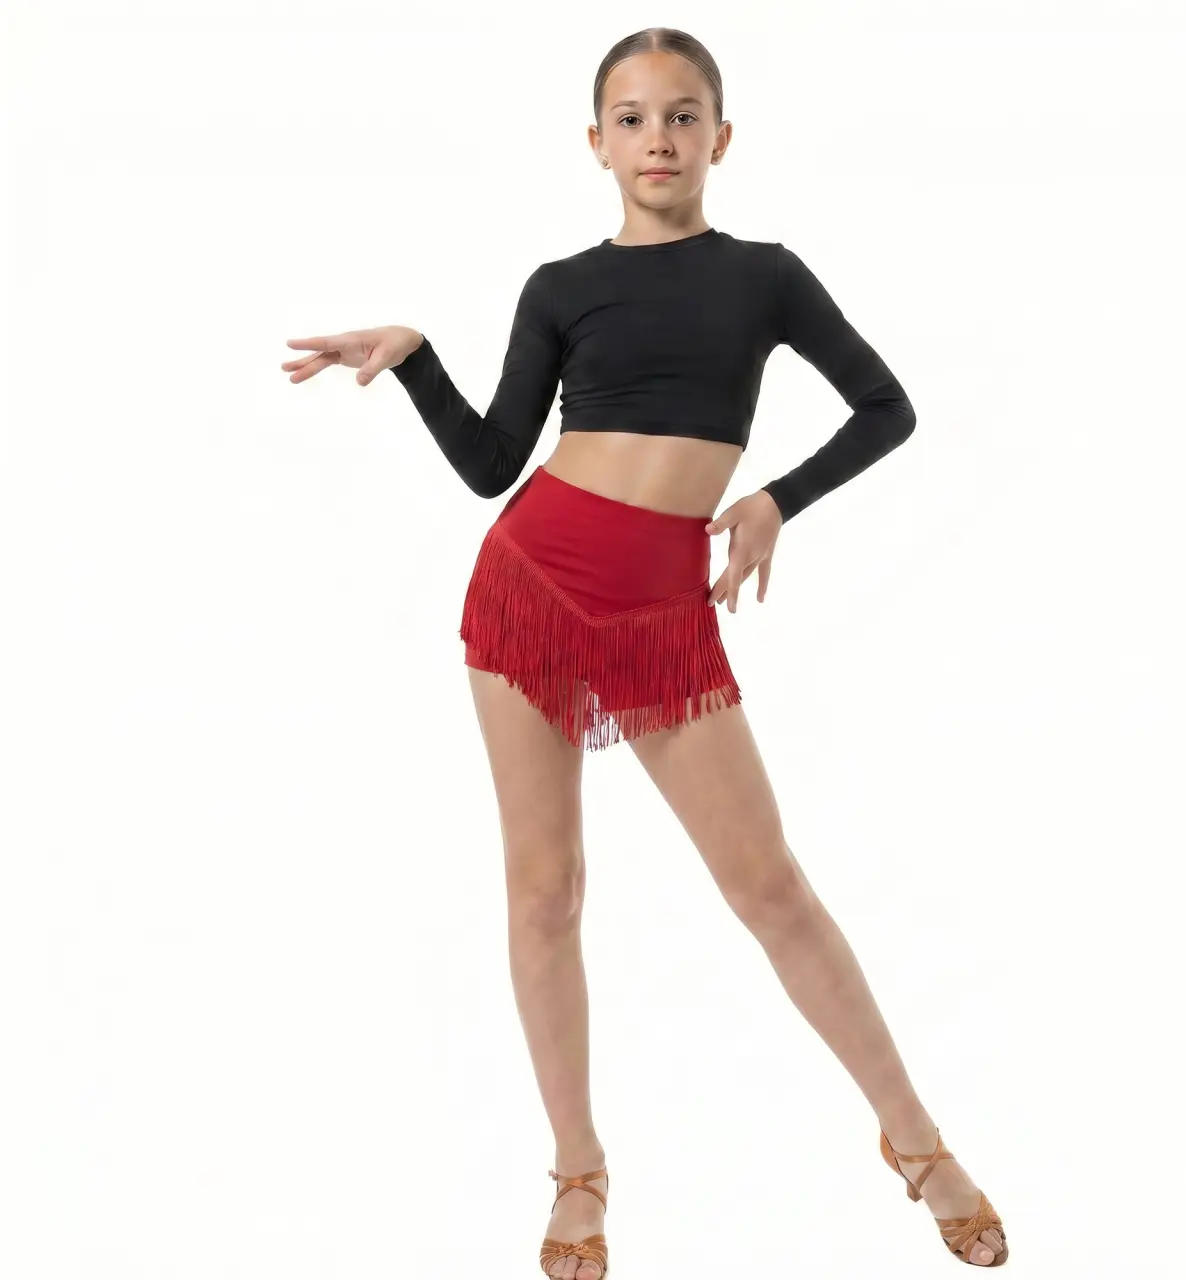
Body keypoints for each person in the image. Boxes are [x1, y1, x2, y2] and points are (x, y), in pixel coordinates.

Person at [280, 26, 1007, 1274]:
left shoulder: (765, 276)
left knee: (767, 887)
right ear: (595, 143)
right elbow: (491, 465)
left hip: (663, 614)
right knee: (545, 891)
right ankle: (578, 1171)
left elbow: (885, 407)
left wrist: (774, 498)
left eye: (680, 116)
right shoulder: (559, 286)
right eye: (630, 118)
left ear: (720, 137)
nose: (656, 139)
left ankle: (916, 1140)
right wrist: (414, 361)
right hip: (527, 588)